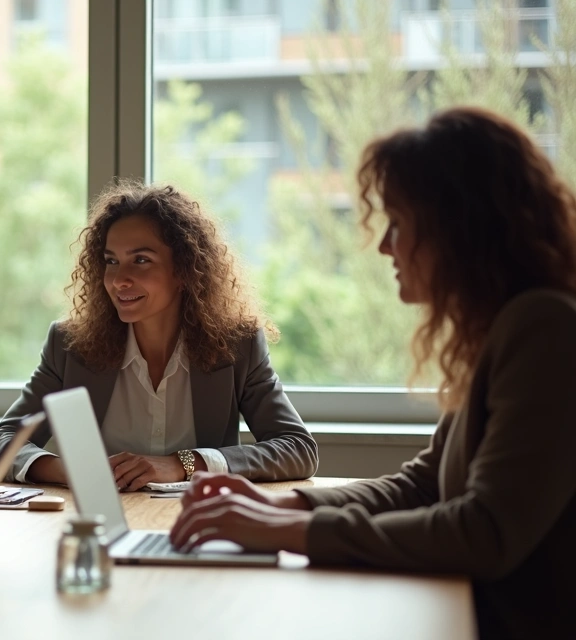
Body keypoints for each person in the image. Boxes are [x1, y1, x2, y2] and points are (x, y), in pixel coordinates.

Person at [170, 107, 576, 638]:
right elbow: (426, 484)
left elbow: (486, 531)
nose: (386, 246)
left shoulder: (543, 326)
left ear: (460, 229)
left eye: (400, 224)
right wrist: (286, 503)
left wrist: (295, 528)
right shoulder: (501, 330)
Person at [0, 182, 318, 490]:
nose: (118, 280)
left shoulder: (237, 344)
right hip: (100, 523)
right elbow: (1, 441)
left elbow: (298, 449)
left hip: (195, 523)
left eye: (141, 260)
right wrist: (74, 471)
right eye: (111, 261)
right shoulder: (70, 345)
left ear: (185, 270)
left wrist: (182, 465)